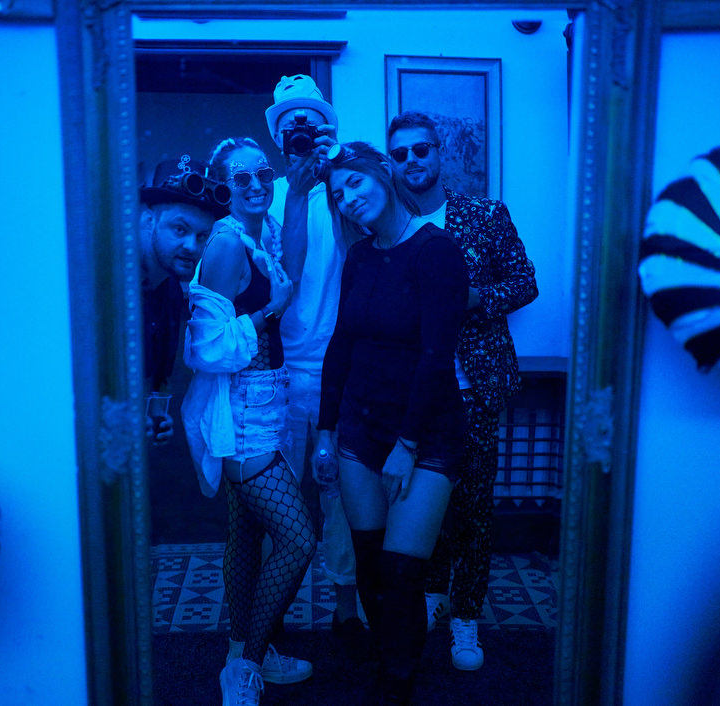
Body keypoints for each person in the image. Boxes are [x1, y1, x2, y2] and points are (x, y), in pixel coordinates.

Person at [312, 141, 468, 704]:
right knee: (372, 567)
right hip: (359, 426)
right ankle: (390, 666)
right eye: (338, 194)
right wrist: (325, 432)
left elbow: (437, 356)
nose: (348, 198)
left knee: (403, 572)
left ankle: (398, 684)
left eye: (355, 182)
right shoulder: (359, 256)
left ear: (382, 173)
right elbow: (341, 344)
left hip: (426, 433)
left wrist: (406, 444)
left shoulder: (437, 250)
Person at [387, 111, 538, 671]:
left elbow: (525, 282)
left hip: (474, 387)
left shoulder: (485, 214)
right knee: (422, 504)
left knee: (472, 508)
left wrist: (470, 298)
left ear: (439, 151)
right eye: (399, 154)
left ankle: (467, 616)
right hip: (414, 394)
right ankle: (433, 596)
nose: (411, 160)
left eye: (420, 149)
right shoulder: (393, 227)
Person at [181, 136, 317, 706]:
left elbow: (292, 266)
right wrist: (271, 311)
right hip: (241, 414)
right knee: (299, 539)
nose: (257, 185)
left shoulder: (260, 234)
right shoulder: (226, 244)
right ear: (224, 186)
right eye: (242, 179)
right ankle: (246, 667)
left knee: (246, 536)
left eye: (263, 173)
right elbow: (206, 347)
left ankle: (241, 651)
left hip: (267, 401)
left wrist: (301, 194)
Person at [264, 74, 365, 638]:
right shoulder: (270, 196)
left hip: (341, 369)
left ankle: (346, 608)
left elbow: (365, 254)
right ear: (281, 139)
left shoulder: (347, 191)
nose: (301, 133)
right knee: (275, 498)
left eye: (311, 125)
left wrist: (335, 171)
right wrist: (300, 194)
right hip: (279, 372)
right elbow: (290, 271)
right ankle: (269, 615)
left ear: (326, 131)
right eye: (291, 127)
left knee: (340, 495)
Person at [139, 156, 228, 443]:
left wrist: (155, 414)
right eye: (180, 229)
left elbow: (159, 378)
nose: (192, 246)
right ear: (149, 221)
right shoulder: (116, 290)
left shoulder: (172, 291)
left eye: (202, 236)